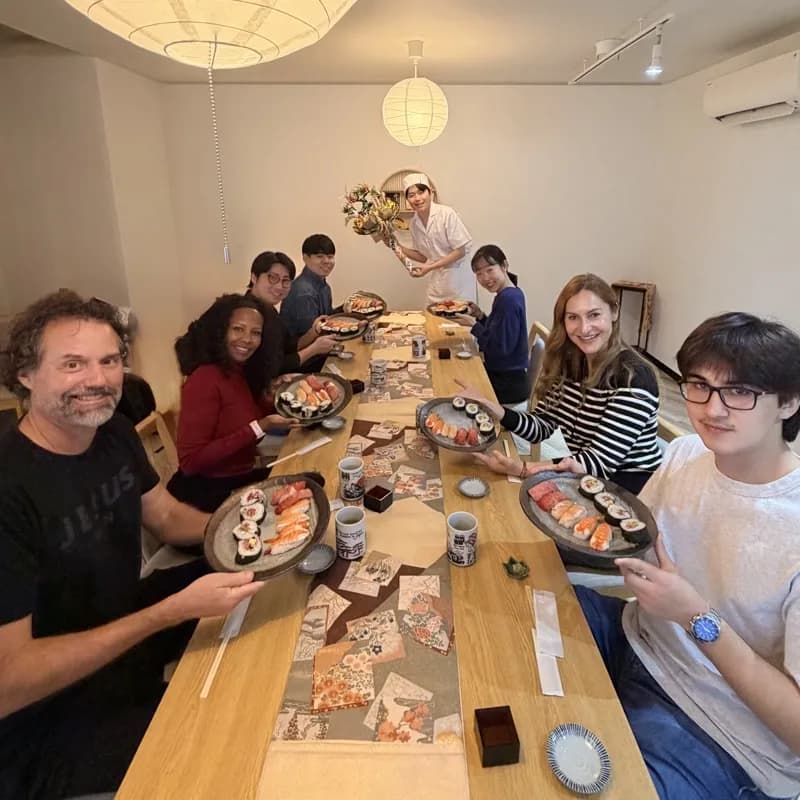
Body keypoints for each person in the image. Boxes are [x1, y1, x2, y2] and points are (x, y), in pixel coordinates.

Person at [0, 290, 262, 799]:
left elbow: (166, 516)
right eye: (72, 364)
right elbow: (10, 681)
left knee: (262, 572)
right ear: (26, 375)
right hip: (43, 723)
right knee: (223, 735)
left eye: (109, 360)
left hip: (119, 633)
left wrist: (246, 526)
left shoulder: (113, 432)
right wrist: (167, 613)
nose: (98, 379)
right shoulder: (9, 489)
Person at [575, 312, 800, 800]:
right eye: (699, 385)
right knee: (516, 606)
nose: (713, 409)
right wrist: (567, 492)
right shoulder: (685, 453)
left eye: (739, 391)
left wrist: (695, 616)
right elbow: (635, 541)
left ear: (789, 401)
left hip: (722, 731)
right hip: (636, 638)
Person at [458, 273, 661, 494]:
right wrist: (495, 409)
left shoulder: (633, 377)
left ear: (614, 312)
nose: (584, 328)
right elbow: (542, 426)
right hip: (582, 476)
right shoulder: (570, 364)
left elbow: (597, 463)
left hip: (628, 492)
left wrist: (524, 468)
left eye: (594, 315)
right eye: (573, 317)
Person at [167, 293, 296, 513]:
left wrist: (270, 396)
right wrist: (260, 426)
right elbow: (190, 461)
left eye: (256, 333)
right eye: (238, 329)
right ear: (221, 331)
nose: (247, 339)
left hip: (240, 476)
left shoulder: (240, 368)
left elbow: (242, 417)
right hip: (208, 495)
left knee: (310, 473)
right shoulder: (204, 379)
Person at [452, 244, 529, 405]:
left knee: (453, 386)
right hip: (506, 375)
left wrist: (474, 326)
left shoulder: (508, 300)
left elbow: (499, 349)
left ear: (504, 265)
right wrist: (480, 316)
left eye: (489, 270)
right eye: (479, 274)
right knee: (459, 370)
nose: (485, 278)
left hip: (507, 383)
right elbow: (498, 333)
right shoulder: (510, 293)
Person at [392, 172, 476, 304]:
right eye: (411, 195)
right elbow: (423, 256)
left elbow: (460, 251)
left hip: (458, 282)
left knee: (459, 314)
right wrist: (396, 245)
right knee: (432, 315)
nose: (417, 198)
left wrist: (429, 268)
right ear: (407, 199)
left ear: (430, 193)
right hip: (437, 284)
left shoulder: (446, 214)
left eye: (421, 192)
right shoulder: (414, 224)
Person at [248, 250, 337, 372]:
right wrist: (314, 349)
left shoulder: (269, 309)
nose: (279, 286)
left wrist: (313, 331)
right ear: (254, 277)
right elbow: (272, 368)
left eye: (285, 281)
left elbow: (288, 346)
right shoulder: (248, 314)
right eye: (272, 278)